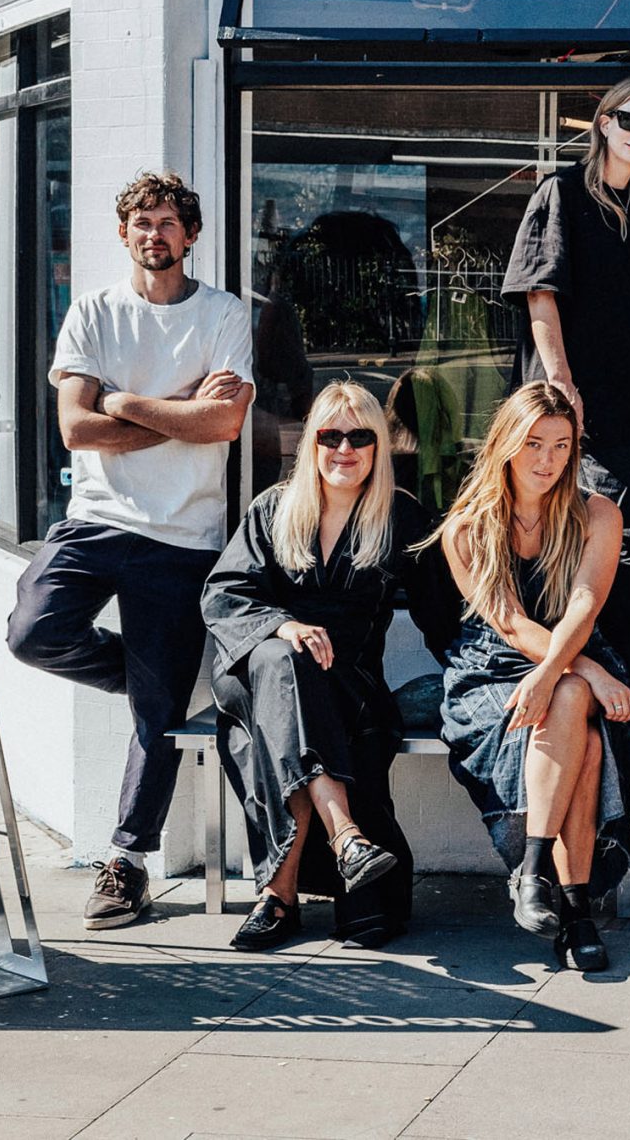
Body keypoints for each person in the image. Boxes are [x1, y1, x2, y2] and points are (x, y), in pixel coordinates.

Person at [7, 171, 254, 932]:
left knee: (156, 718)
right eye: (142, 222)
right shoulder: (93, 313)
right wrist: (182, 411)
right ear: (124, 235)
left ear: (191, 234)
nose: (156, 233)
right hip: (96, 521)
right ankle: (158, 678)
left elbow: (224, 427)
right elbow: (75, 430)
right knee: (33, 632)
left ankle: (128, 864)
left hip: (182, 537)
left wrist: (120, 399)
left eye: (169, 221)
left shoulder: (223, 314)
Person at [201, 381, 461, 951]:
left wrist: (499, 673)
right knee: (285, 663)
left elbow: (445, 615)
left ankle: (280, 896)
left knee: (372, 923)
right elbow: (223, 595)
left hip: (349, 686)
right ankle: (346, 837)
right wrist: (282, 624)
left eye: (360, 436)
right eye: (330, 435)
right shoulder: (272, 509)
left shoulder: (401, 519)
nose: (344, 448)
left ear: (379, 446)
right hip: (255, 671)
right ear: (312, 444)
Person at [502, 76, 630, 719]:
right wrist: (561, 384)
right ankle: (604, 681)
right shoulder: (560, 193)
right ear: (604, 122)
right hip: (585, 410)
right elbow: (539, 295)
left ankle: (628, 687)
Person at [437, 381, 630, 971]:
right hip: (492, 665)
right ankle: (575, 910)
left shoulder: (596, 513)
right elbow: (508, 624)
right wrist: (581, 672)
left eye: (560, 446)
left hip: (577, 648)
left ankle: (534, 870)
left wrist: (562, 670)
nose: (547, 461)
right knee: (588, 738)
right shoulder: (468, 529)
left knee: (570, 697)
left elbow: (584, 604)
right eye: (533, 444)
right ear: (505, 444)